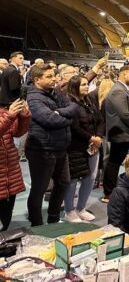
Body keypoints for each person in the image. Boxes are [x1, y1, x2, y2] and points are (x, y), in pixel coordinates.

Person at [26, 65, 78, 226]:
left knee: (63, 183)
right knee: (39, 189)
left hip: (60, 148)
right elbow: (49, 120)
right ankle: (36, 223)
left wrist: (60, 112)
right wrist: (68, 119)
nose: (54, 79)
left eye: (53, 75)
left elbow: (73, 107)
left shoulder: (55, 92)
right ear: (37, 80)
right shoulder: (33, 97)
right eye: (49, 76)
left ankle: (53, 217)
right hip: (42, 150)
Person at [64, 76, 104, 223]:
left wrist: (97, 138)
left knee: (90, 178)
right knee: (73, 180)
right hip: (75, 148)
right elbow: (74, 127)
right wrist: (91, 139)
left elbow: (100, 121)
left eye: (87, 84)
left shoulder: (90, 101)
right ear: (75, 87)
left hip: (93, 146)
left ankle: (81, 208)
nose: (86, 87)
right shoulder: (69, 103)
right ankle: (69, 211)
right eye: (83, 85)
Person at [102, 66, 129, 203]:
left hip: (122, 132)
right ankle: (109, 192)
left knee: (115, 162)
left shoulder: (122, 89)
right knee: (114, 162)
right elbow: (125, 114)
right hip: (120, 132)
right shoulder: (118, 90)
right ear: (123, 74)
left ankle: (110, 190)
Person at [0, 99, 31, 230]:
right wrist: (10, 115)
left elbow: (17, 132)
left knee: (6, 214)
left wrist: (24, 117)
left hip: (10, 174)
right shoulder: (6, 113)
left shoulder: (2, 111)